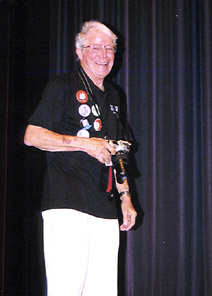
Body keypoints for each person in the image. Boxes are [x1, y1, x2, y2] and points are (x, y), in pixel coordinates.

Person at [24, 20, 137, 296]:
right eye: (95, 47)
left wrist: (126, 198)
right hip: (66, 207)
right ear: (79, 52)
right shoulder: (62, 85)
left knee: (104, 291)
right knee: (67, 289)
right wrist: (83, 144)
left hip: (105, 209)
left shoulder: (115, 95)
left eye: (109, 48)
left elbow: (120, 149)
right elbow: (32, 136)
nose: (103, 54)